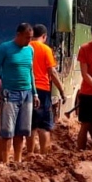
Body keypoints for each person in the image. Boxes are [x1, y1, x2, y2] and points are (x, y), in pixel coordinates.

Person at [0, 23, 39, 163]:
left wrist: (34, 93)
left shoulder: (30, 50)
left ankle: (17, 161)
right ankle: (5, 162)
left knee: (22, 131)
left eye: (30, 38)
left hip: (27, 93)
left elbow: (31, 72)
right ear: (18, 35)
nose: (29, 41)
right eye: (26, 37)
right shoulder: (5, 48)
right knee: (7, 131)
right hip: (10, 93)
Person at [27, 24, 66, 155]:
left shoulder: (26, 47)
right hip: (42, 90)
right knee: (44, 126)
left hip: (27, 89)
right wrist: (61, 90)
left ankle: (30, 154)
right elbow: (52, 72)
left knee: (30, 125)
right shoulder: (45, 49)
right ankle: (44, 155)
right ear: (44, 36)